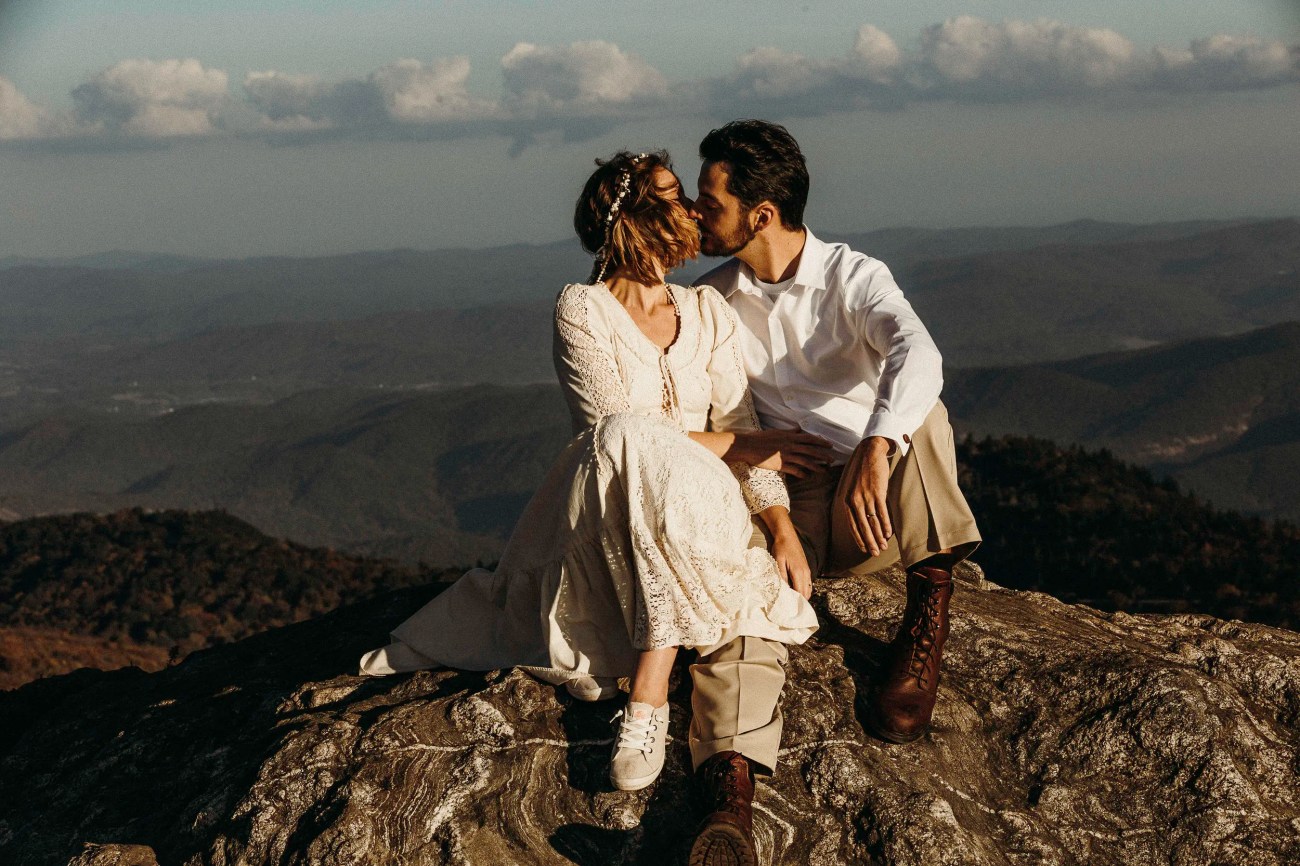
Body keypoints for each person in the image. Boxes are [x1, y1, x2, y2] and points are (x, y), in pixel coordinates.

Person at [357, 150, 820, 798]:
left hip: (702, 503)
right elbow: (619, 431)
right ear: (634, 217)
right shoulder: (582, 308)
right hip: (611, 500)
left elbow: (746, 433)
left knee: (654, 449)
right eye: (674, 196)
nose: (693, 208)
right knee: (627, 432)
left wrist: (780, 526)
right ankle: (649, 686)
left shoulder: (708, 311)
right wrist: (743, 442)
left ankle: (648, 693)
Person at [687, 120, 983, 861]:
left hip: (869, 508)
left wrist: (878, 447)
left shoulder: (854, 277)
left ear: (761, 214)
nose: (696, 213)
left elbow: (918, 351)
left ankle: (927, 611)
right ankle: (731, 793)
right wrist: (771, 509)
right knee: (735, 593)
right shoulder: (710, 300)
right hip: (775, 503)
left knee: (926, 417)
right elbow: (706, 420)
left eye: (710, 201)